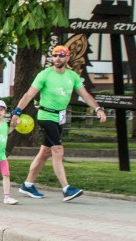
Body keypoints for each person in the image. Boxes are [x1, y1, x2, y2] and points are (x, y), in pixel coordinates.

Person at [10, 44, 107, 202]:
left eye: (61, 56)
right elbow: (28, 95)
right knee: (58, 150)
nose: (57, 59)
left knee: (45, 153)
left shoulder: (72, 76)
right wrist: (17, 111)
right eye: (55, 56)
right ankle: (66, 189)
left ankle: (27, 184)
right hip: (46, 115)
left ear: (67, 58)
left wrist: (98, 109)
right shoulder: (45, 74)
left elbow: (85, 95)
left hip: (59, 118)